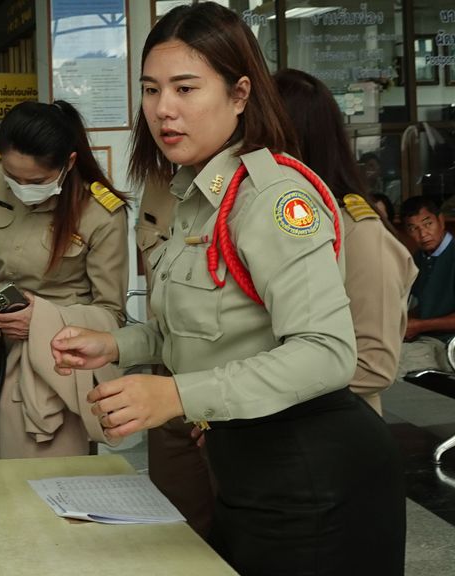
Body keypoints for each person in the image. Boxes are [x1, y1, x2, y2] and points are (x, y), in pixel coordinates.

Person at [51, 4, 405, 575]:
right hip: (245, 464)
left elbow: (329, 352)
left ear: (240, 94)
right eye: (151, 90)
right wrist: (120, 346)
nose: (164, 109)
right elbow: (204, 330)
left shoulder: (271, 198)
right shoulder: (198, 195)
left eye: (186, 88)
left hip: (312, 470)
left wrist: (175, 397)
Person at [0, 100, 130, 459]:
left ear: (68, 163)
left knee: (50, 481)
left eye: (36, 182)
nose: (22, 188)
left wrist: (39, 321)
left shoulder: (101, 212)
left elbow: (111, 314)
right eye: (14, 178)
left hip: (59, 359)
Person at [275, 68, 418, 415]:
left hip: (332, 443)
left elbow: (373, 365)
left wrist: (257, 397)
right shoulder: (279, 222)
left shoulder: (360, 233)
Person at [135, 176, 216, 540]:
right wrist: (112, 344)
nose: (165, 116)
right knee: (176, 533)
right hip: (167, 378)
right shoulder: (159, 186)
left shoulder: (256, 193)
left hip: (227, 393)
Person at [400, 195, 455, 374]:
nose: (423, 234)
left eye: (427, 224)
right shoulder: (418, 259)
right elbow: (420, 305)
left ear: (441, 220)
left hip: (448, 343)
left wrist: (420, 325)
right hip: (424, 338)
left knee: (390, 362)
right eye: (413, 228)